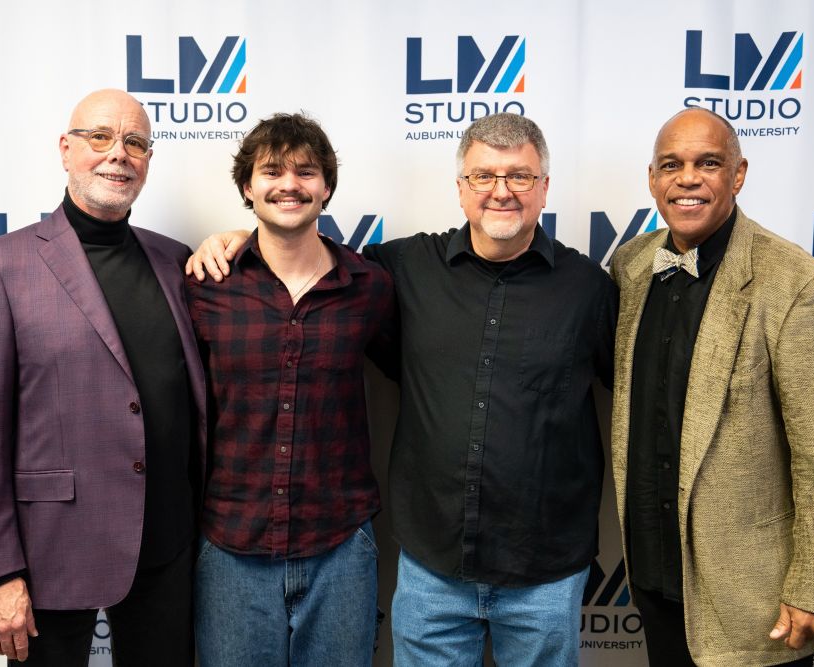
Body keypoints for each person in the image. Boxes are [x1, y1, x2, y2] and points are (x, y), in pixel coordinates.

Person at [188, 112, 617, 666]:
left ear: (545, 188)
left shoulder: (589, 288)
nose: (501, 191)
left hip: (544, 568)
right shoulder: (403, 268)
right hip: (429, 564)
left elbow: (631, 398)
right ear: (461, 188)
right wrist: (241, 238)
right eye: (484, 176)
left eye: (520, 177)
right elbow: (292, 244)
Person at [0, 89, 204, 666]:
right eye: (100, 137)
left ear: (147, 161)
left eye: (135, 142)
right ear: (66, 150)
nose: (118, 153)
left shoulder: (175, 261)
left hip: (167, 549)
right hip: (49, 556)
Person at [609, 107, 814, 666]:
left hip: (753, 598)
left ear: (738, 175)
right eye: (671, 164)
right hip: (653, 575)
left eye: (709, 163)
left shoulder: (796, 283)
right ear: (653, 179)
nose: (688, 178)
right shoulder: (629, 266)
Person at [186, 113, 397, 666]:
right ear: (247, 187)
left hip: (341, 545)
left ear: (326, 187)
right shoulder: (206, 282)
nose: (289, 184)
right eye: (271, 170)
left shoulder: (369, 286)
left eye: (306, 171)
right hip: (231, 545)